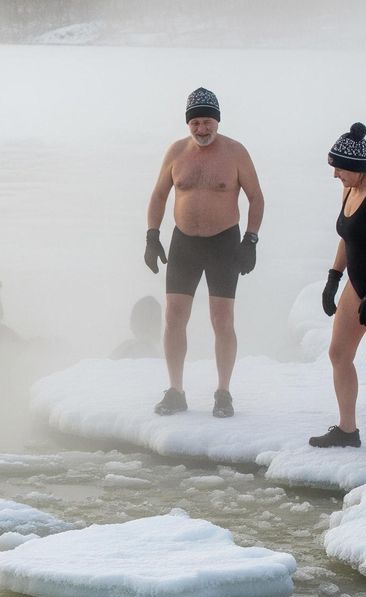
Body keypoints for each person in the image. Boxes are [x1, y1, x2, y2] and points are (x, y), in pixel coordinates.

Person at [144, 87, 264, 418]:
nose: (201, 129)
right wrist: (152, 236)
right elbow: (159, 195)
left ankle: (223, 392)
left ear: (217, 121)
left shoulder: (236, 153)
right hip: (184, 242)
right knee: (173, 316)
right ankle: (176, 391)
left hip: (224, 242)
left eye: (207, 122)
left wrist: (251, 240)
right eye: (195, 122)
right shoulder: (176, 152)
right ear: (188, 123)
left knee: (222, 319)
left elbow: (256, 197)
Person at [309, 123, 366, 448]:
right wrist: (333, 277)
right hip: (358, 284)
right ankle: (348, 431)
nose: (335, 175)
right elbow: (348, 237)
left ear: (358, 167)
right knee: (338, 353)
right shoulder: (349, 189)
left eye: (340, 169)